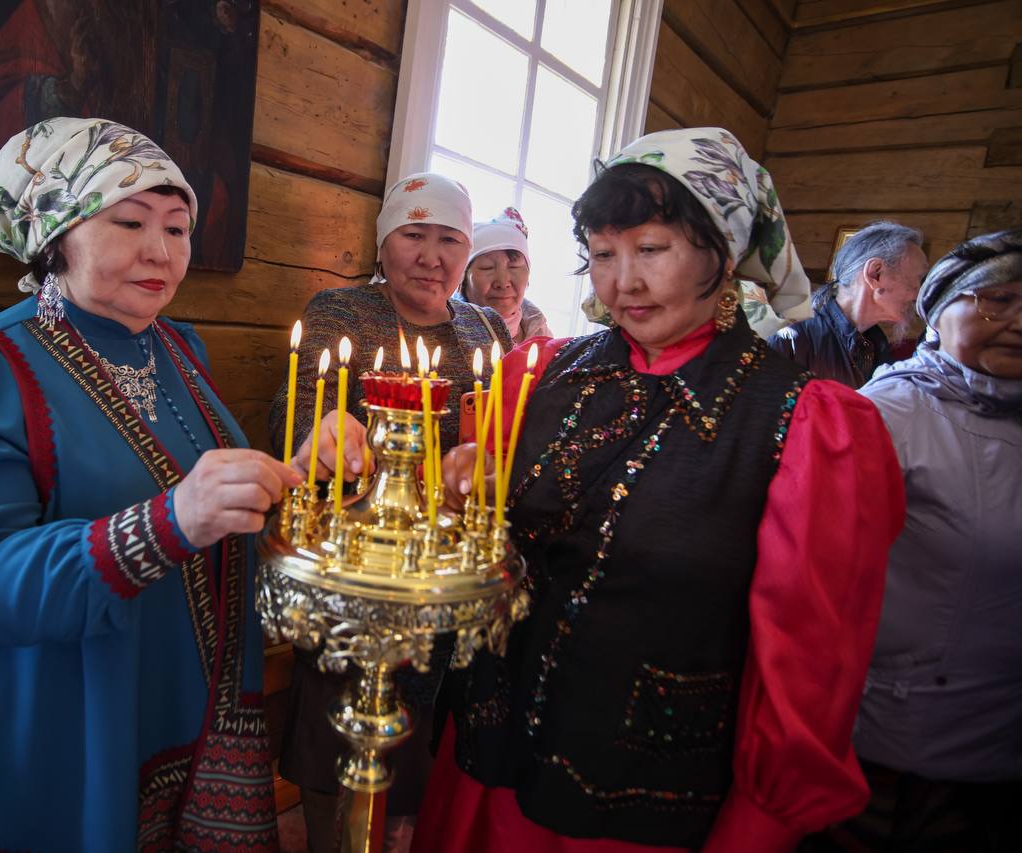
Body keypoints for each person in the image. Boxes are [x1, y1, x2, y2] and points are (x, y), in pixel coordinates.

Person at [413, 127, 906, 851]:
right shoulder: (537, 375)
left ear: (723, 252)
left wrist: (759, 825)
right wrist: (461, 497)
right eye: (603, 254)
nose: (623, 283)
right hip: (492, 769)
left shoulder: (805, 426)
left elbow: (807, 676)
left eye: (651, 249)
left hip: (646, 805)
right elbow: (482, 559)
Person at [0, 118, 303, 851]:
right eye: (130, 221)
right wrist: (168, 522)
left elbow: (192, 491)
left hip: (172, 699)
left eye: (179, 227)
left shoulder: (175, 348)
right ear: (56, 233)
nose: (161, 250)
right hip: (51, 721)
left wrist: (295, 477)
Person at [269, 172, 511, 853]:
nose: (431, 256)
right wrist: (328, 433)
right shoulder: (341, 311)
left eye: (449, 239)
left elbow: (503, 429)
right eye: (414, 234)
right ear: (384, 242)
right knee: (337, 714)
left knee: (428, 719)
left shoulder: (483, 325)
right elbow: (298, 414)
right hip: (362, 553)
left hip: (446, 558)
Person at [823, 230, 1022, 850]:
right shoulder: (888, 414)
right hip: (890, 740)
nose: (1020, 320)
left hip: (1000, 742)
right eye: (999, 300)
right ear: (940, 311)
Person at [768, 220, 928, 388]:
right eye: (917, 280)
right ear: (875, 273)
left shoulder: (875, 347)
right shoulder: (793, 341)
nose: (918, 295)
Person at [461, 207, 553, 344]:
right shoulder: (444, 329)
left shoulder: (539, 331)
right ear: (463, 279)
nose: (503, 282)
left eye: (514, 266)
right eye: (487, 267)